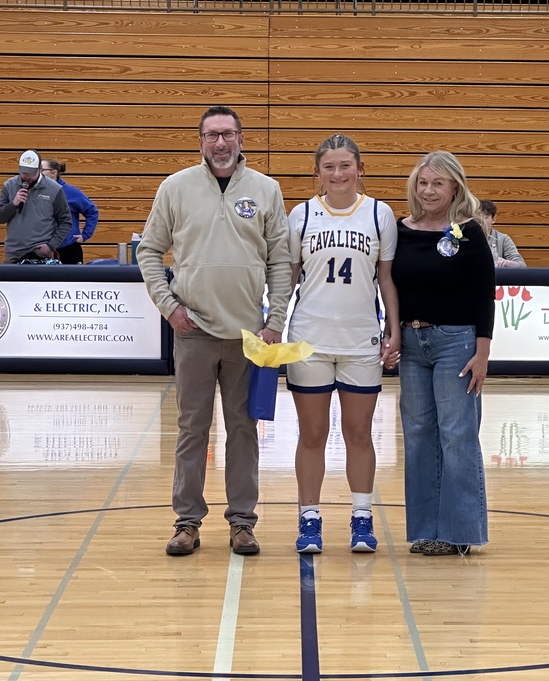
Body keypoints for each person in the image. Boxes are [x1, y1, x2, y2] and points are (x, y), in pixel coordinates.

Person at [137, 105, 292, 557]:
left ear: (241, 139)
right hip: (194, 332)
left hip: (249, 338)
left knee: (243, 430)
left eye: (227, 134)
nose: (220, 143)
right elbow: (149, 251)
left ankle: (242, 522)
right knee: (192, 430)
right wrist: (169, 306)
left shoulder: (266, 189)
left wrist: (274, 322)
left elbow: (280, 261)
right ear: (200, 141)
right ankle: (187, 522)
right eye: (211, 135)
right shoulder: (175, 187)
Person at [286, 134, 400, 555]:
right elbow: (289, 277)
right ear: (317, 173)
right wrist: (273, 324)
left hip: (360, 341)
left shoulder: (379, 214)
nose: (338, 174)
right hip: (308, 341)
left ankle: (362, 517)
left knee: (359, 434)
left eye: (345, 165)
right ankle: (310, 519)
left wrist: (394, 328)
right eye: (329, 167)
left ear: (360, 169)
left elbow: (386, 278)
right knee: (311, 434)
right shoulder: (300, 215)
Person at [391, 151, 495, 557]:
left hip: (457, 343)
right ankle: (426, 529)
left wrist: (482, 352)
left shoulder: (468, 233)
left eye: (437, 183)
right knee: (418, 438)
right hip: (413, 344)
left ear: (455, 187)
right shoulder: (400, 230)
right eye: (422, 182)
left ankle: (462, 532)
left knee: (457, 436)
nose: (429, 190)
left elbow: (484, 295)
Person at [0, 149, 72, 263]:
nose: (27, 177)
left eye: (31, 173)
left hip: (41, 252)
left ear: (40, 169)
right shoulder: (9, 185)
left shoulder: (54, 189)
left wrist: (51, 245)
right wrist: (13, 204)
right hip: (14, 251)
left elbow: (65, 221)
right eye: (24, 173)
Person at [40, 159, 99, 265]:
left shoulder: (71, 192)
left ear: (53, 172)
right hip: (44, 249)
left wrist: (85, 235)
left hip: (68, 249)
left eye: (41, 170)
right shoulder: (38, 192)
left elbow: (92, 211)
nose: (37, 174)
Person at [478, 199, 526, 267]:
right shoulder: (466, 237)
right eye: (477, 218)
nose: (481, 222)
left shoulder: (503, 239)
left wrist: (506, 263)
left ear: (493, 219)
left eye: (485, 218)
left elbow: (522, 266)